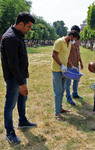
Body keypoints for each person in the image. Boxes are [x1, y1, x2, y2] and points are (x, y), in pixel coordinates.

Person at [0, 12, 37, 145]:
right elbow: (12, 63)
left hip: (20, 76)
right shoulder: (10, 37)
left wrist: (25, 72)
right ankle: (9, 132)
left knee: (22, 99)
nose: (29, 29)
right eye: (28, 26)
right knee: (10, 105)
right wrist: (21, 83)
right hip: (14, 79)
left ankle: (22, 121)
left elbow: (20, 56)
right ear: (21, 24)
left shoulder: (18, 35)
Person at [51, 30, 80, 121]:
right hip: (57, 70)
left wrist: (72, 66)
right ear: (71, 36)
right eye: (74, 39)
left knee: (62, 90)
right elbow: (54, 55)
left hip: (64, 71)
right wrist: (61, 65)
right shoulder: (59, 41)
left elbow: (66, 57)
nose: (74, 42)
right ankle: (57, 114)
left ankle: (60, 108)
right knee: (58, 91)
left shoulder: (69, 44)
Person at [65, 25, 83, 105]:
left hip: (76, 64)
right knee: (68, 83)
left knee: (76, 80)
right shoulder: (68, 42)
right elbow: (67, 55)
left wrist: (81, 62)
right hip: (69, 65)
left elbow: (78, 53)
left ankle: (75, 94)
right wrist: (71, 65)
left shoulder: (77, 41)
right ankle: (68, 98)